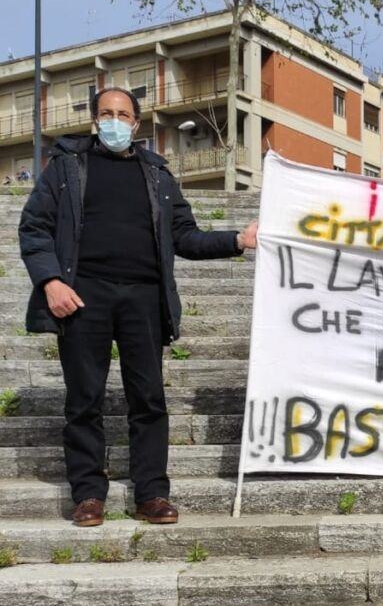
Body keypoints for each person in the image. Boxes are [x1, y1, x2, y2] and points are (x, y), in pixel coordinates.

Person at [19, 87, 258, 528]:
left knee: (149, 399)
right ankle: (89, 493)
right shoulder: (66, 167)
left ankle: (151, 493)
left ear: (136, 123)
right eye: (106, 113)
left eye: (123, 114)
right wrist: (51, 281)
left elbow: (185, 236)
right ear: (95, 120)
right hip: (82, 296)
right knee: (84, 400)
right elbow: (34, 227)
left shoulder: (158, 174)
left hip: (143, 298)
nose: (114, 120)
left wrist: (237, 240)